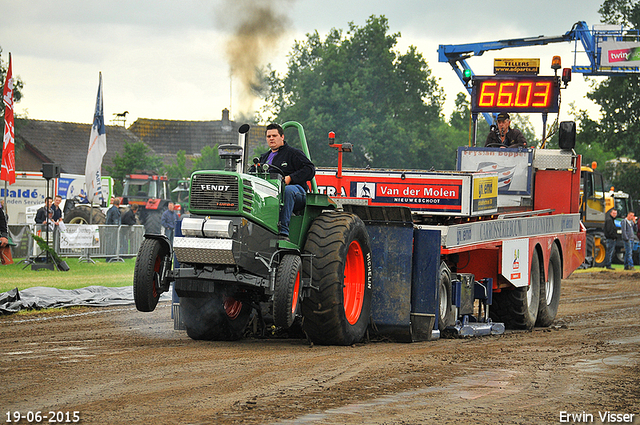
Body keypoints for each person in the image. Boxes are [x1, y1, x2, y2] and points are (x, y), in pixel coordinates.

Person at [252, 123, 315, 239]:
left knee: (288, 191)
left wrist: (290, 178)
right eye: (268, 136)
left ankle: (283, 230)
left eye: (274, 135)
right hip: (271, 192)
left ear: (282, 137)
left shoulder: (293, 153)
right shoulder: (263, 158)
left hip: (296, 192)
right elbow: (251, 173)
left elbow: (310, 169)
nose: (271, 138)